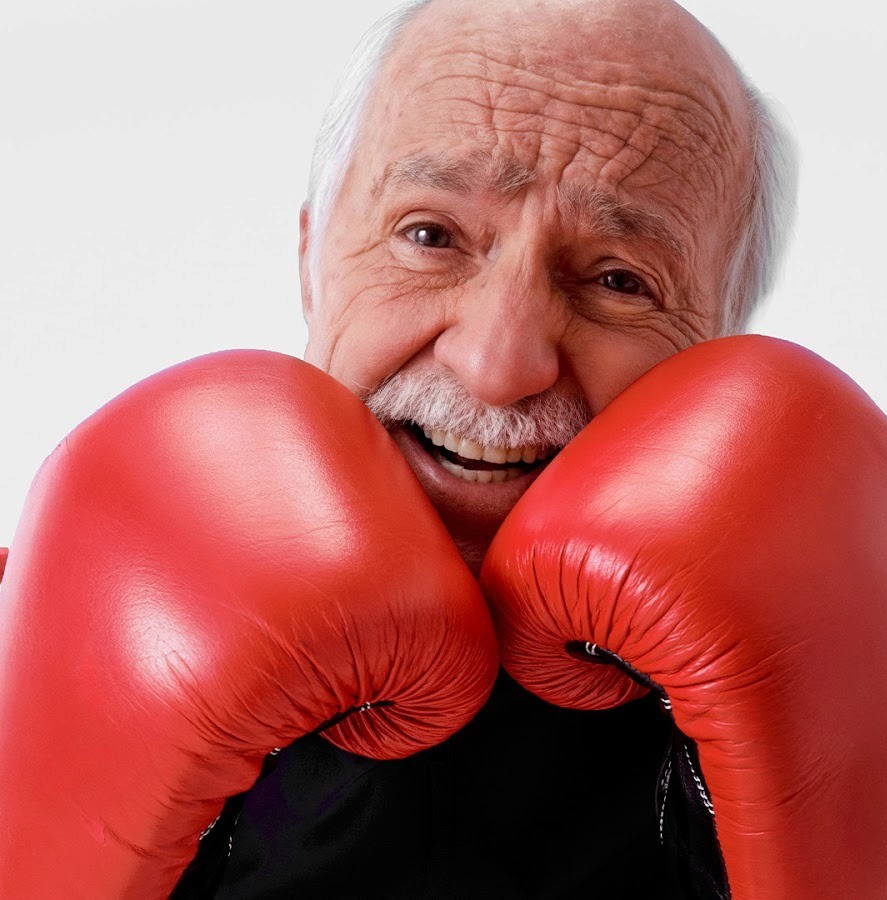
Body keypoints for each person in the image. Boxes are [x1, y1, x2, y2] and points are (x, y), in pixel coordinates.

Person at [210, 0, 789, 894]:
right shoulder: (59, 627)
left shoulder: (806, 685)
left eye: (618, 280)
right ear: (310, 260)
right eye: (430, 236)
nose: (497, 367)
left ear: (722, 349)